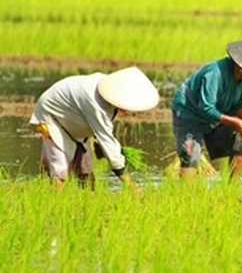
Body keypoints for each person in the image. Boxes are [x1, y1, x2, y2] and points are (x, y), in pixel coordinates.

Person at [29, 66, 160, 189]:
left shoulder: (108, 87)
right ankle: (55, 203)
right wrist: (130, 184)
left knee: (85, 170)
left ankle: (88, 199)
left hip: (74, 118)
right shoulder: (96, 104)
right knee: (60, 169)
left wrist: (99, 142)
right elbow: (107, 140)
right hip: (51, 116)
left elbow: (101, 131)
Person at [171, 39, 242, 180]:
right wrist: (235, 122)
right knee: (190, 154)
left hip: (217, 112)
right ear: (240, 66)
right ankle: (188, 197)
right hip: (190, 112)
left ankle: (231, 190)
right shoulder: (215, 73)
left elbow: (239, 104)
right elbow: (206, 108)